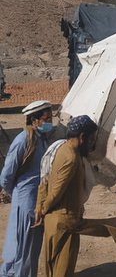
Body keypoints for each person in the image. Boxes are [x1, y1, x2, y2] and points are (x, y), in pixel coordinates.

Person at [35, 115, 116, 276]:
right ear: (82, 137)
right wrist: (43, 209)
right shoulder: (71, 158)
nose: (93, 144)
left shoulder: (60, 148)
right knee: (62, 270)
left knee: (51, 269)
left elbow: (44, 179)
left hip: (57, 221)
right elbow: (56, 192)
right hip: (64, 222)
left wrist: (40, 207)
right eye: (92, 139)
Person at [0, 100, 53, 277]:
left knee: (31, 249)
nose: (49, 122)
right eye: (46, 119)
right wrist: (15, 193)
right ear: (34, 120)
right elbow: (6, 176)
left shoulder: (42, 140)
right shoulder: (23, 140)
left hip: (36, 203)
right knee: (22, 249)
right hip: (25, 203)